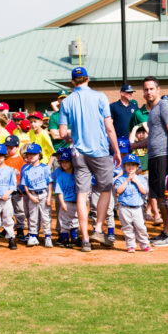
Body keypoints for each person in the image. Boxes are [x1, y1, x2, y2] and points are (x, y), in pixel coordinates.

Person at [57, 67, 122, 252]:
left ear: (72, 82)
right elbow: (109, 128)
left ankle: (85, 239)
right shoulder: (100, 96)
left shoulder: (67, 101)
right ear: (87, 79)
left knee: (82, 194)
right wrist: (116, 150)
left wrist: (73, 135)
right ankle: (98, 228)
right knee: (106, 188)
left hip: (79, 153)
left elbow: (62, 133)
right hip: (100, 150)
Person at [139, 76, 168, 247]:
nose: (148, 92)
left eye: (151, 89)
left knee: (167, 197)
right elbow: (152, 139)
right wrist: (132, 145)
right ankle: (165, 231)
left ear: (158, 90)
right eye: (146, 89)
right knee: (160, 197)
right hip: (155, 157)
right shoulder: (153, 111)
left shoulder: (164, 106)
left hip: (165, 156)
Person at [114, 154, 151, 253]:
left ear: (137, 167)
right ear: (124, 166)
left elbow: (144, 191)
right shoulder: (121, 179)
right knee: (127, 228)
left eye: (133, 165)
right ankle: (130, 245)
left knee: (141, 227)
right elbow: (118, 190)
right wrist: (127, 180)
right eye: (128, 165)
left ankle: (145, 244)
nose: (131, 167)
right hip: (124, 207)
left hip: (137, 208)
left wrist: (136, 181)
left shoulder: (141, 179)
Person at [19, 143, 53, 247]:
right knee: (33, 217)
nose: (30, 156)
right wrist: (30, 196)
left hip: (43, 194)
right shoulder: (26, 170)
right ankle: (33, 236)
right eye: (29, 154)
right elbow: (25, 186)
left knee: (45, 217)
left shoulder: (45, 168)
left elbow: (50, 183)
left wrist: (49, 197)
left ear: (39, 155)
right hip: (32, 195)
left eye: (33, 154)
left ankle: (48, 236)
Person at [52, 148, 78, 248]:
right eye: (62, 162)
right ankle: (64, 239)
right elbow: (59, 192)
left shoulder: (77, 174)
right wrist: (62, 203)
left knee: (76, 221)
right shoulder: (61, 176)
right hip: (66, 202)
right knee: (65, 222)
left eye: (66, 162)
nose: (64, 164)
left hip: (76, 202)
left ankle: (74, 238)